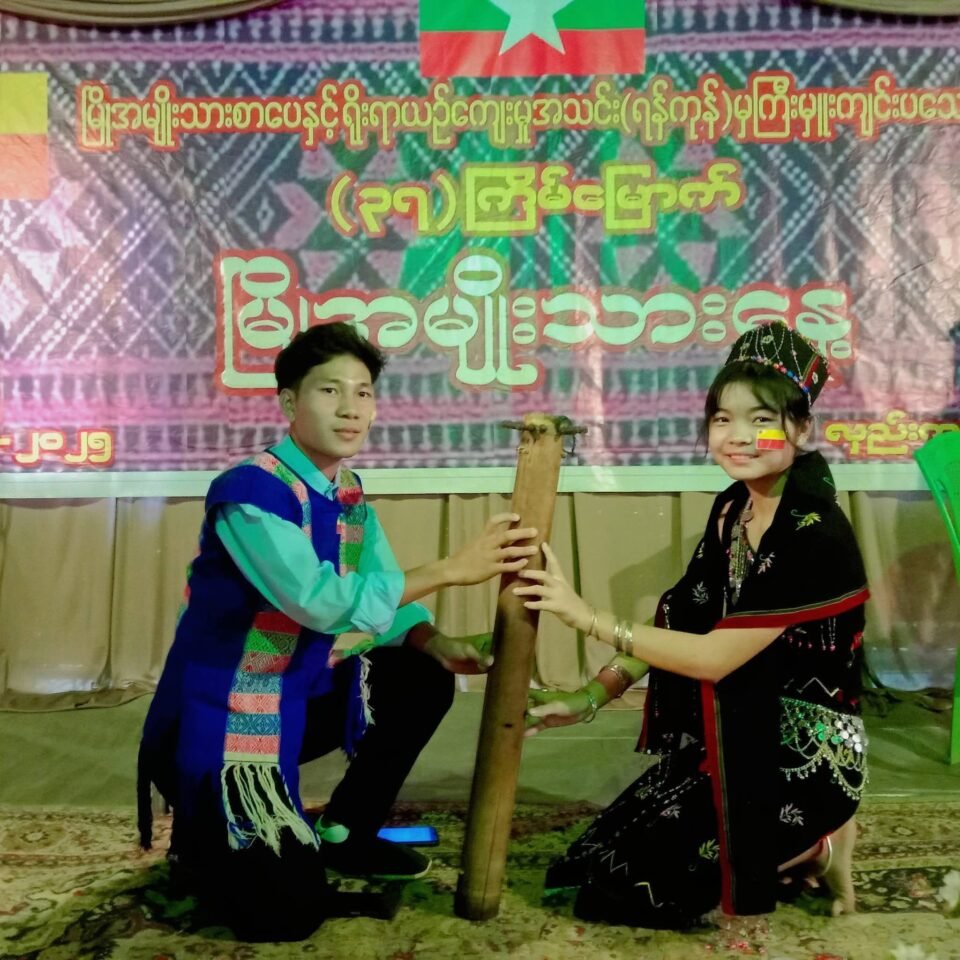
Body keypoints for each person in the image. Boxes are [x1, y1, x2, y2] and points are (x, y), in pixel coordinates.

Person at [137, 322, 538, 941]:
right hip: (220, 722)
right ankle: (206, 838)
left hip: (294, 699)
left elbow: (382, 590)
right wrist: (452, 569)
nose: (351, 408)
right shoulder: (249, 493)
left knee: (421, 675)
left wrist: (436, 643)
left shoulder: (347, 493)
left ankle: (345, 832)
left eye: (364, 392)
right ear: (289, 401)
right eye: (330, 391)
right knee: (284, 915)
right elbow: (320, 603)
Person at [515, 321, 869, 928]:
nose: (739, 436)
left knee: (627, 895)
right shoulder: (733, 508)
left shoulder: (814, 530)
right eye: (722, 418)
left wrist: (583, 615)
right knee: (587, 866)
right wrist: (589, 697)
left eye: (763, 419)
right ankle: (798, 847)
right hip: (738, 728)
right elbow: (682, 617)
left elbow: (711, 657)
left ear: (802, 428)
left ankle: (820, 841)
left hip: (806, 754)